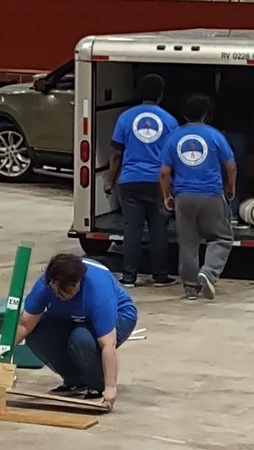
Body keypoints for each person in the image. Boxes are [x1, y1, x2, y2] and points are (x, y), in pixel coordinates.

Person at [14, 253, 138, 409]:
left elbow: (108, 344)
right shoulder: (44, 287)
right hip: (72, 316)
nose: (60, 295)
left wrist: (110, 387)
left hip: (120, 315)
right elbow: (25, 325)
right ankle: (75, 380)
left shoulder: (98, 290)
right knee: (36, 333)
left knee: (81, 339)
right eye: (56, 291)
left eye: (66, 292)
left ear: (78, 283)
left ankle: (96, 382)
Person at [159, 94, 237, 301]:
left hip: (183, 197)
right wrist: (230, 189)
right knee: (221, 237)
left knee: (187, 242)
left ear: (184, 114)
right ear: (206, 114)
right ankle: (209, 272)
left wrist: (166, 195)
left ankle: (190, 289)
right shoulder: (215, 136)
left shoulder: (173, 137)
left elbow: (165, 172)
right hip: (211, 194)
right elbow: (230, 166)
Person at [107, 74, 179, 288]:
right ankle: (160, 276)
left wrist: (111, 180)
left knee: (132, 229)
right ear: (161, 94)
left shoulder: (125, 118)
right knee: (159, 229)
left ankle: (129, 277)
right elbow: (173, 156)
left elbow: (116, 153)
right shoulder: (169, 120)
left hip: (129, 181)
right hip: (158, 183)